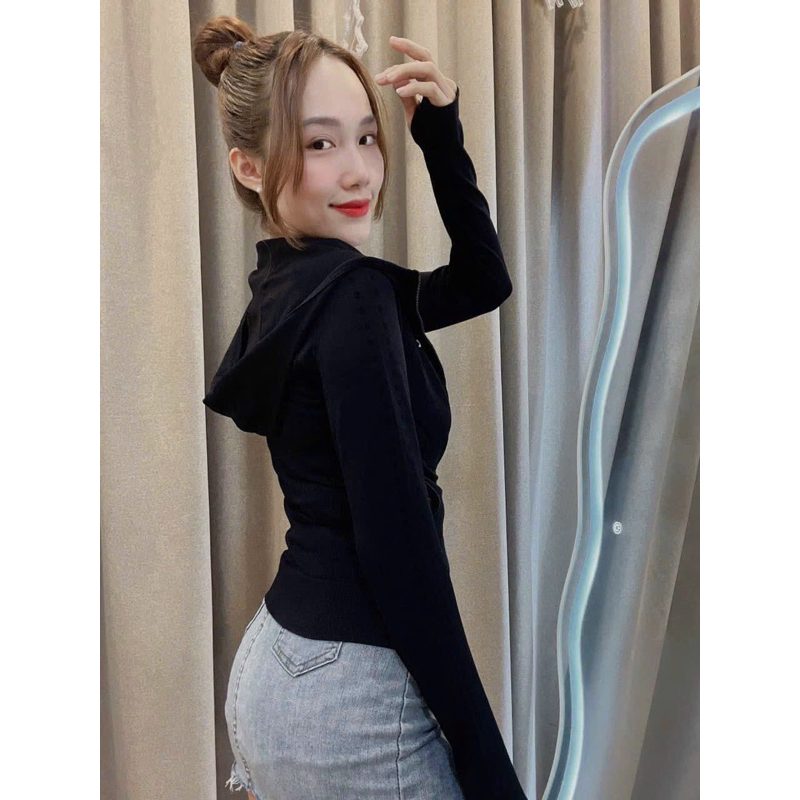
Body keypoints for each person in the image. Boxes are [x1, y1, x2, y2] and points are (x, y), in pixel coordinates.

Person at [194, 16, 527, 800]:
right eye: (320, 143)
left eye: (367, 138)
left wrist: (438, 136)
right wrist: (487, 766)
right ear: (249, 167)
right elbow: (400, 547)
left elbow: (483, 283)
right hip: (347, 692)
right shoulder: (349, 301)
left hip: (280, 664)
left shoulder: (294, 286)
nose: (358, 172)